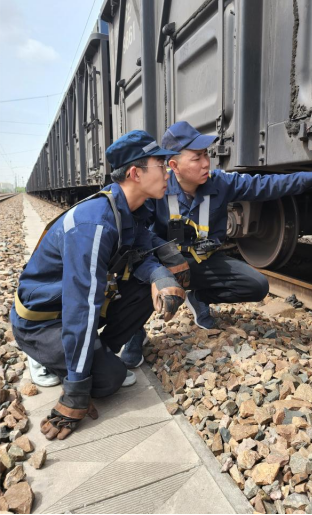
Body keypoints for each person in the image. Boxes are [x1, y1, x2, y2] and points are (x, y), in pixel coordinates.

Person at [122, 121, 312, 371]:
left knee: (257, 285)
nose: (206, 163)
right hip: (168, 264)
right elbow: (138, 234)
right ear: (174, 166)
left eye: (206, 155)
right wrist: (162, 265)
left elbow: (272, 185)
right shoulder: (158, 188)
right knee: (136, 276)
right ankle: (134, 332)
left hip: (203, 262)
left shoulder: (220, 183)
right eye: (196, 158)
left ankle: (199, 298)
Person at [10, 130, 189, 440]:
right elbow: (81, 307)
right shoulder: (94, 224)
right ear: (136, 173)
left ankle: (94, 352)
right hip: (42, 322)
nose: (167, 171)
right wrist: (76, 395)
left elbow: (139, 252)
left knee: (152, 288)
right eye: (160, 164)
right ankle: (43, 354)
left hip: (69, 308)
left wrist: (161, 276)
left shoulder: (128, 210)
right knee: (108, 382)